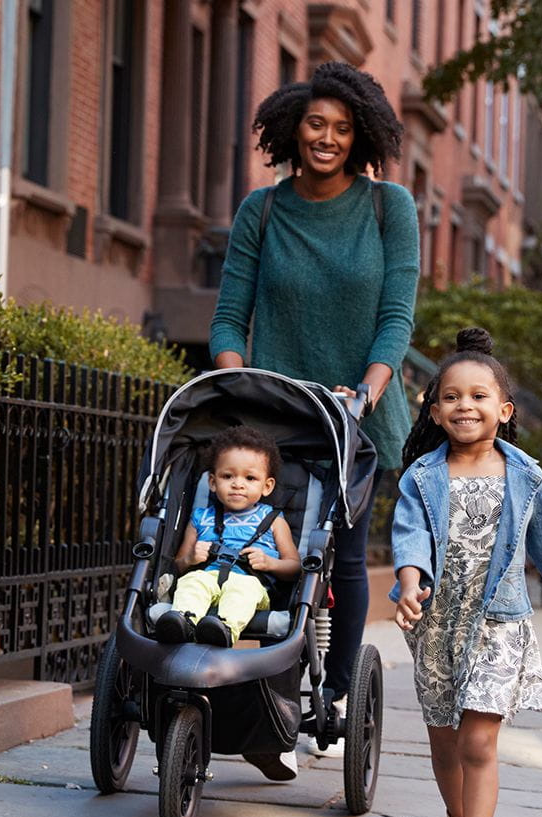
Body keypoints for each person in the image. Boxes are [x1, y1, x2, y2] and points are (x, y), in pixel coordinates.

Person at [210, 61, 419, 757]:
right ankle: (259, 691)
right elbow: (229, 318)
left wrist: (367, 389)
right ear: (293, 129)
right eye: (315, 124)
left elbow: (396, 316)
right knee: (265, 550)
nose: (326, 138)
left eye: (342, 128)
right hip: (271, 416)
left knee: (345, 559)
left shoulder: (391, 208)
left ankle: (328, 694)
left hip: (355, 418)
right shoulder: (261, 209)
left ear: (361, 136)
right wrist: (235, 382)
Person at [391, 329, 542, 817]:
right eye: (451, 397)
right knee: (445, 742)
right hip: (436, 624)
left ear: (503, 410)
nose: (465, 406)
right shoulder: (422, 476)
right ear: (433, 411)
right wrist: (409, 582)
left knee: (478, 739)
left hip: (499, 621)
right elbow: (408, 537)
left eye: (479, 396)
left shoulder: (525, 475)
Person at [157, 426, 300, 649]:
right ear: (213, 483)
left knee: (242, 590)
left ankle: (223, 630)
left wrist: (270, 562)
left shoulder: (273, 520)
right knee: (191, 582)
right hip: (208, 577)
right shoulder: (200, 518)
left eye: (250, 478)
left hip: (252, 584)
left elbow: (294, 567)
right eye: (227, 476)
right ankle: (182, 624)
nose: (238, 484)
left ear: (267, 486)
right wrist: (191, 559)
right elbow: (178, 564)